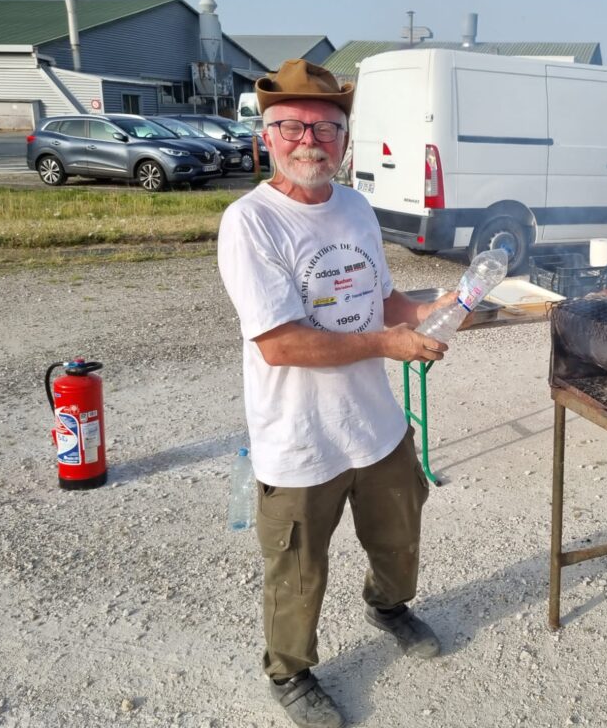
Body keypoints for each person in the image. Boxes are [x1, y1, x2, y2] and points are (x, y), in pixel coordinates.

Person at [217, 59, 458, 728]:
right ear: (267, 136)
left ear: (345, 139)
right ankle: (290, 672)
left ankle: (388, 607)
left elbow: (382, 300)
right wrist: (388, 345)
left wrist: (438, 306)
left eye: (327, 127)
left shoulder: (354, 206)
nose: (310, 140)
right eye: (291, 125)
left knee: (399, 540)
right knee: (297, 570)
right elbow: (280, 344)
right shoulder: (250, 222)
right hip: (298, 439)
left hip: (375, 426)